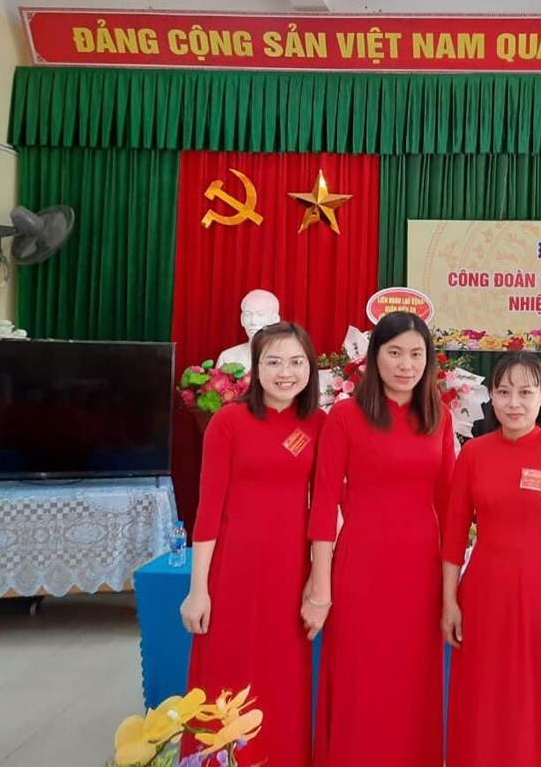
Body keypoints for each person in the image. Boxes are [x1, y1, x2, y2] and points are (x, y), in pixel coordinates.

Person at [303, 312, 455, 767]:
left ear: (428, 361)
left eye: (416, 354)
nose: (406, 365)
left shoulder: (439, 417)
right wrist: (320, 585)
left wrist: (452, 588)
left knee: (413, 681)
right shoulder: (345, 416)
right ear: (374, 357)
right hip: (362, 566)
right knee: (360, 677)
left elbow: (450, 506)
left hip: (421, 570)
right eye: (395, 353)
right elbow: (323, 505)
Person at [180, 322, 325, 767]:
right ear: (255, 368)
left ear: (310, 368)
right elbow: (208, 510)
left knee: (284, 676)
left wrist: (318, 581)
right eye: (273, 362)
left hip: (291, 570)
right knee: (227, 670)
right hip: (234, 568)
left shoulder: (318, 424)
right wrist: (198, 588)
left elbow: (325, 507)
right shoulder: (228, 422)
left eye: (296, 362)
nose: (286, 372)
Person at [441, 351, 541, 767]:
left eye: (525, 393)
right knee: (483, 697)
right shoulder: (474, 454)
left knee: (535, 699)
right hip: (483, 594)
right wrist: (450, 602)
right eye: (503, 392)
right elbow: (453, 536)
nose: (514, 403)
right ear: (490, 396)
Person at [216, 289, 282, 368]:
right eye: (248, 315)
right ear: (242, 319)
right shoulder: (228, 358)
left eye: (260, 314)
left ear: (275, 319)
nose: (253, 321)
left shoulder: (287, 357)